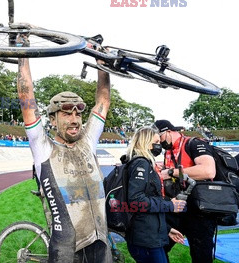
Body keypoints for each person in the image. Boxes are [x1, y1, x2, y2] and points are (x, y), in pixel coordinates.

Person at [17, 33, 112, 262]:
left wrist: (102, 65)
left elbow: (103, 101)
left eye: (78, 113)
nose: (75, 118)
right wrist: (23, 52)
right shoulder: (43, 148)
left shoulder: (87, 142)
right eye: (67, 113)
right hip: (67, 251)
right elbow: (26, 97)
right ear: (52, 120)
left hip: (100, 244)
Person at [153, 119, 217, 263]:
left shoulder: (194, 143)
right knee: (157, 246)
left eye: (160, 138)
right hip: (178, 207)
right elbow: (178, 173)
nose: (159, 143)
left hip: (199, 211)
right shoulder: (169, 151)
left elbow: (208, 171)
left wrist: (171, 172)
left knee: (201, 256)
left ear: (168, 132)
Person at [124, 126, 186, 263]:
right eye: (156, 142)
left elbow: (150, 200)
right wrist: (170, 205)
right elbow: (136, 200)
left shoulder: (143, 163)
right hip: (145, 239)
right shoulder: (141, 163)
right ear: (146, 142)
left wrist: (167, 229)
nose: (159, 146)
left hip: (150, 234)